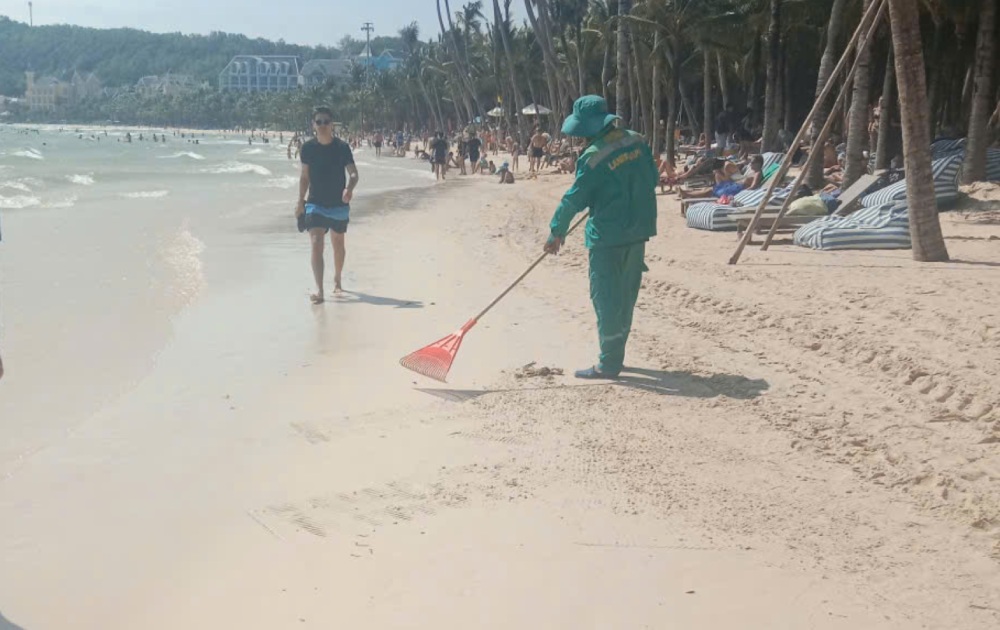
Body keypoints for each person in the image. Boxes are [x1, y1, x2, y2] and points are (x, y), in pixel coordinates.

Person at [543, 95, 657, 379]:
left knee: (606, 297)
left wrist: (557, 232)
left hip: (608, 234)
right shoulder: (637, 140)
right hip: (639, 228)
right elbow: (652, 179)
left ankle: (608, 364)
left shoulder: (593, 156)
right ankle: (616, 354)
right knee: (626, 294)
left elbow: (574, 198)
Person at [296, 107, 360, 304]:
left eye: (326, 121)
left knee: (338, 243)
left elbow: (354, 173)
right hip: (315, 203)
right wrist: (300, 201)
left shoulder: (342, 148)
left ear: (332, 125)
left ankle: (338, 278)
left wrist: (349, 189)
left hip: (339, 204)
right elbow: (305, 177)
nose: (322, 125)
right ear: (313, 125)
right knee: (316, 243)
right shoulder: (307, 148)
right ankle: (320, 289)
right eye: (319, 122)